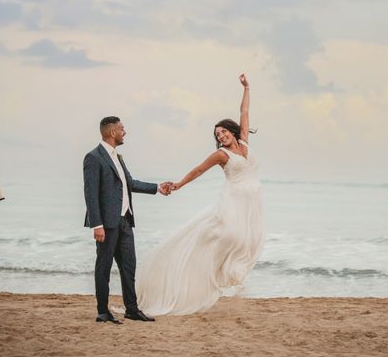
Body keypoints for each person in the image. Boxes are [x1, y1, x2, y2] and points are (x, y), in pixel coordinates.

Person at [136, 74, 265, 315]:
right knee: (230, 235)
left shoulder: (245, 142)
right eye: (218, 135)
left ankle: (228, 273)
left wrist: (247, 88)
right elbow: (198, 170)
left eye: (224, 132)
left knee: (251, 240)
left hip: (251, 203)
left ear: (232, 131)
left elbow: (244, 112)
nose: (221, 136)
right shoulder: (221, 155)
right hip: (234, 200)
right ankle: (210, 271)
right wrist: (179, 185)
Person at [83, 116, 173, 324]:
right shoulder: (93, 157)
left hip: (125, 221)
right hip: (106, 224)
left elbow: (129, 183)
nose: (126, 132)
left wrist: (157, 188)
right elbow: (91, 194)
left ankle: (132, 309)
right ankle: (102, 311)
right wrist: (97, 225)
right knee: (103, 268)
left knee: (129, 267)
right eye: (123, 129)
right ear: (112, 132)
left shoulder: (118, 157)